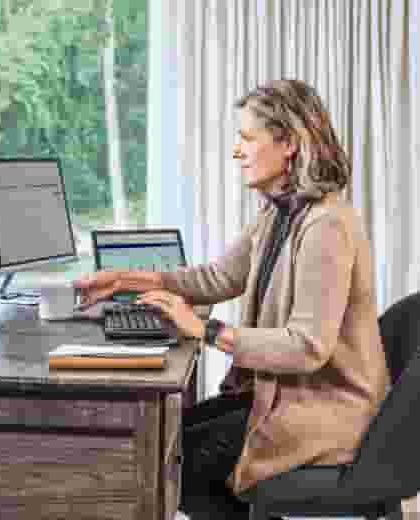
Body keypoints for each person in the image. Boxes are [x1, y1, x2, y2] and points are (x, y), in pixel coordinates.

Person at [73, 79, 389, 519]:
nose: (236, 152)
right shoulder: (282, 211)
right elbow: (219, 276)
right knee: (168, 444)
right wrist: (122, 279)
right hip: (287, 398)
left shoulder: (326, 227)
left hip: (324, 412)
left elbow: (307, 347)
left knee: (165, 465)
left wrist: (204, 329)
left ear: (290, 145)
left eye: (246, 138)